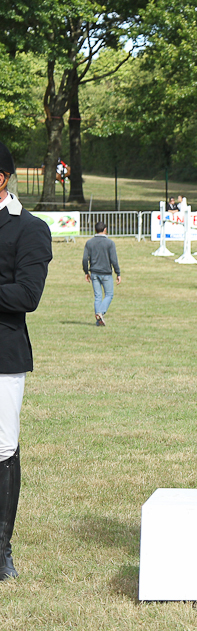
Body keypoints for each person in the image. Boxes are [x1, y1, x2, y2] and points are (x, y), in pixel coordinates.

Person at [0, 140, 53, 580]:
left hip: (3, 349)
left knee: (2, 448)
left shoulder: (30, 228)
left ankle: (1, 550)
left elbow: (27, 295)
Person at [82, 221, 122, 326]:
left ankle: (99, 320)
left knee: (98, 296)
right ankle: (101, 312)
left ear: (95, 230)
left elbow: (85, 259)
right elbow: (114, 259)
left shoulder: (89, 242)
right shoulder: (110, 243)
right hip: (106, 273)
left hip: (94, 272)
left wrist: (86, 272)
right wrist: (118, 273)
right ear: (105, 229)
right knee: (109, 294)